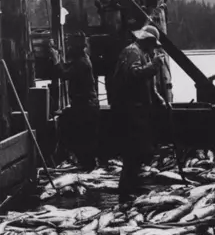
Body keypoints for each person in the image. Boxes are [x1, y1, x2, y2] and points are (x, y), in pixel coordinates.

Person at [110, 26, 167, 204]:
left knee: (140, 150)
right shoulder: (132, 52)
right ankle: (126, 193)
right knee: (132, 151)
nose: (153, 47)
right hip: (129, 111)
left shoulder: (143, 53)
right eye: (151, 43)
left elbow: (148, 83)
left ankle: (131, 187)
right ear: (146, 40)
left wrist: (158, 98)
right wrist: (155, 65)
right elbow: (134, 75)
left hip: (139, 110)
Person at [49, 32, 100, 171]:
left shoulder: (82, 62)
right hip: (86, 104)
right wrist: (58, 59)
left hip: (86, 106)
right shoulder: (81, 59)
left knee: (84, 138)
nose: (69, 48)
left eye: (71, 46)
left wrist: (55, 61)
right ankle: (87, 165)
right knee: (84, 137)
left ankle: (88, 168)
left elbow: (64, 74)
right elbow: (67, 67)